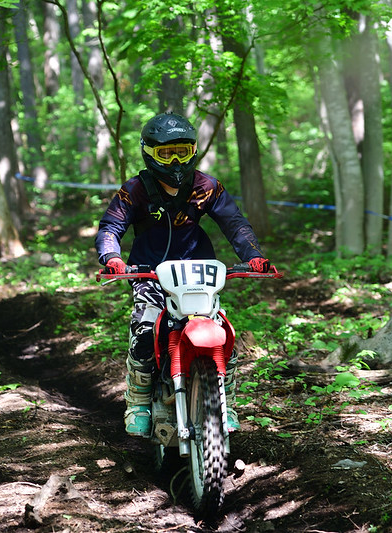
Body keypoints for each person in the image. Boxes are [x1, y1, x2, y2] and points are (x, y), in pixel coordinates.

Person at [95, 111, 272, 437]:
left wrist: (254, 256)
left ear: (194, 151)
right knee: (145, 329)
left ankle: (226, 403)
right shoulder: (135, 190)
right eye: (166, 153)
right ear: (150, 153)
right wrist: (112, 258)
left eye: (182, 151)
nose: (176, 161)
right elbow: (111, 227)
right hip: (149, 273)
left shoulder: (207, 187)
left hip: (199, 273)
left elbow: (235, 224)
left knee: (223, 335)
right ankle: (138, 401)